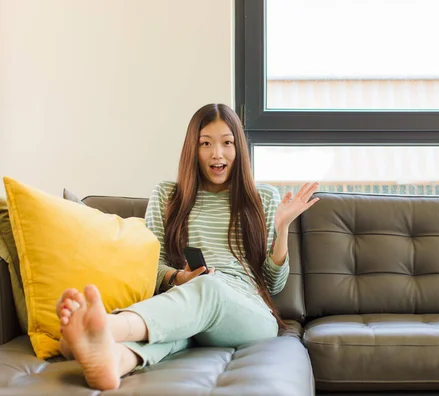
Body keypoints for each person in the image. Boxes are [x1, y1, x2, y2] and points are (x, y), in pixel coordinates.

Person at [54, 103, 319, 390]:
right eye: (206, 143)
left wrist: (282, 228)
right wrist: (179, 278)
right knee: (177, 326)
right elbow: (150, 267)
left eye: (227, 143)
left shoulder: (263, 197)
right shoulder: (168, 196)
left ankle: (106, 327)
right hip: (189, 304)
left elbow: (274, 284)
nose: (217, 153)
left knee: (210, 287)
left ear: (238, 148)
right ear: (193, 149)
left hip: (249, 315)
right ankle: (115, 359)